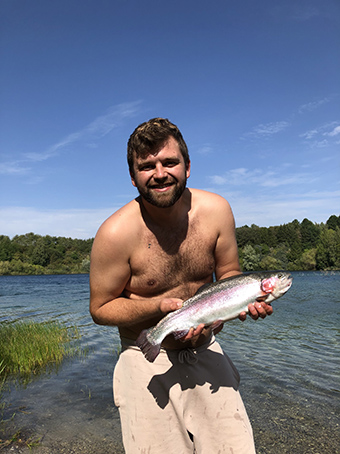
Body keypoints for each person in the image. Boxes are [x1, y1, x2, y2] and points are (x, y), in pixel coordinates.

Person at [89, 118, 273, 454]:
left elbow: (230, 271)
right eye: (147, 166)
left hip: (206, 349)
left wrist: (233, 306)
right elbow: (100, 309)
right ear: (133, 177)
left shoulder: (217, 211)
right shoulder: (114, 235)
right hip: (145, 355)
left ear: (188, 167)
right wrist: (158, 309)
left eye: (170, 162)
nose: (159, 173)